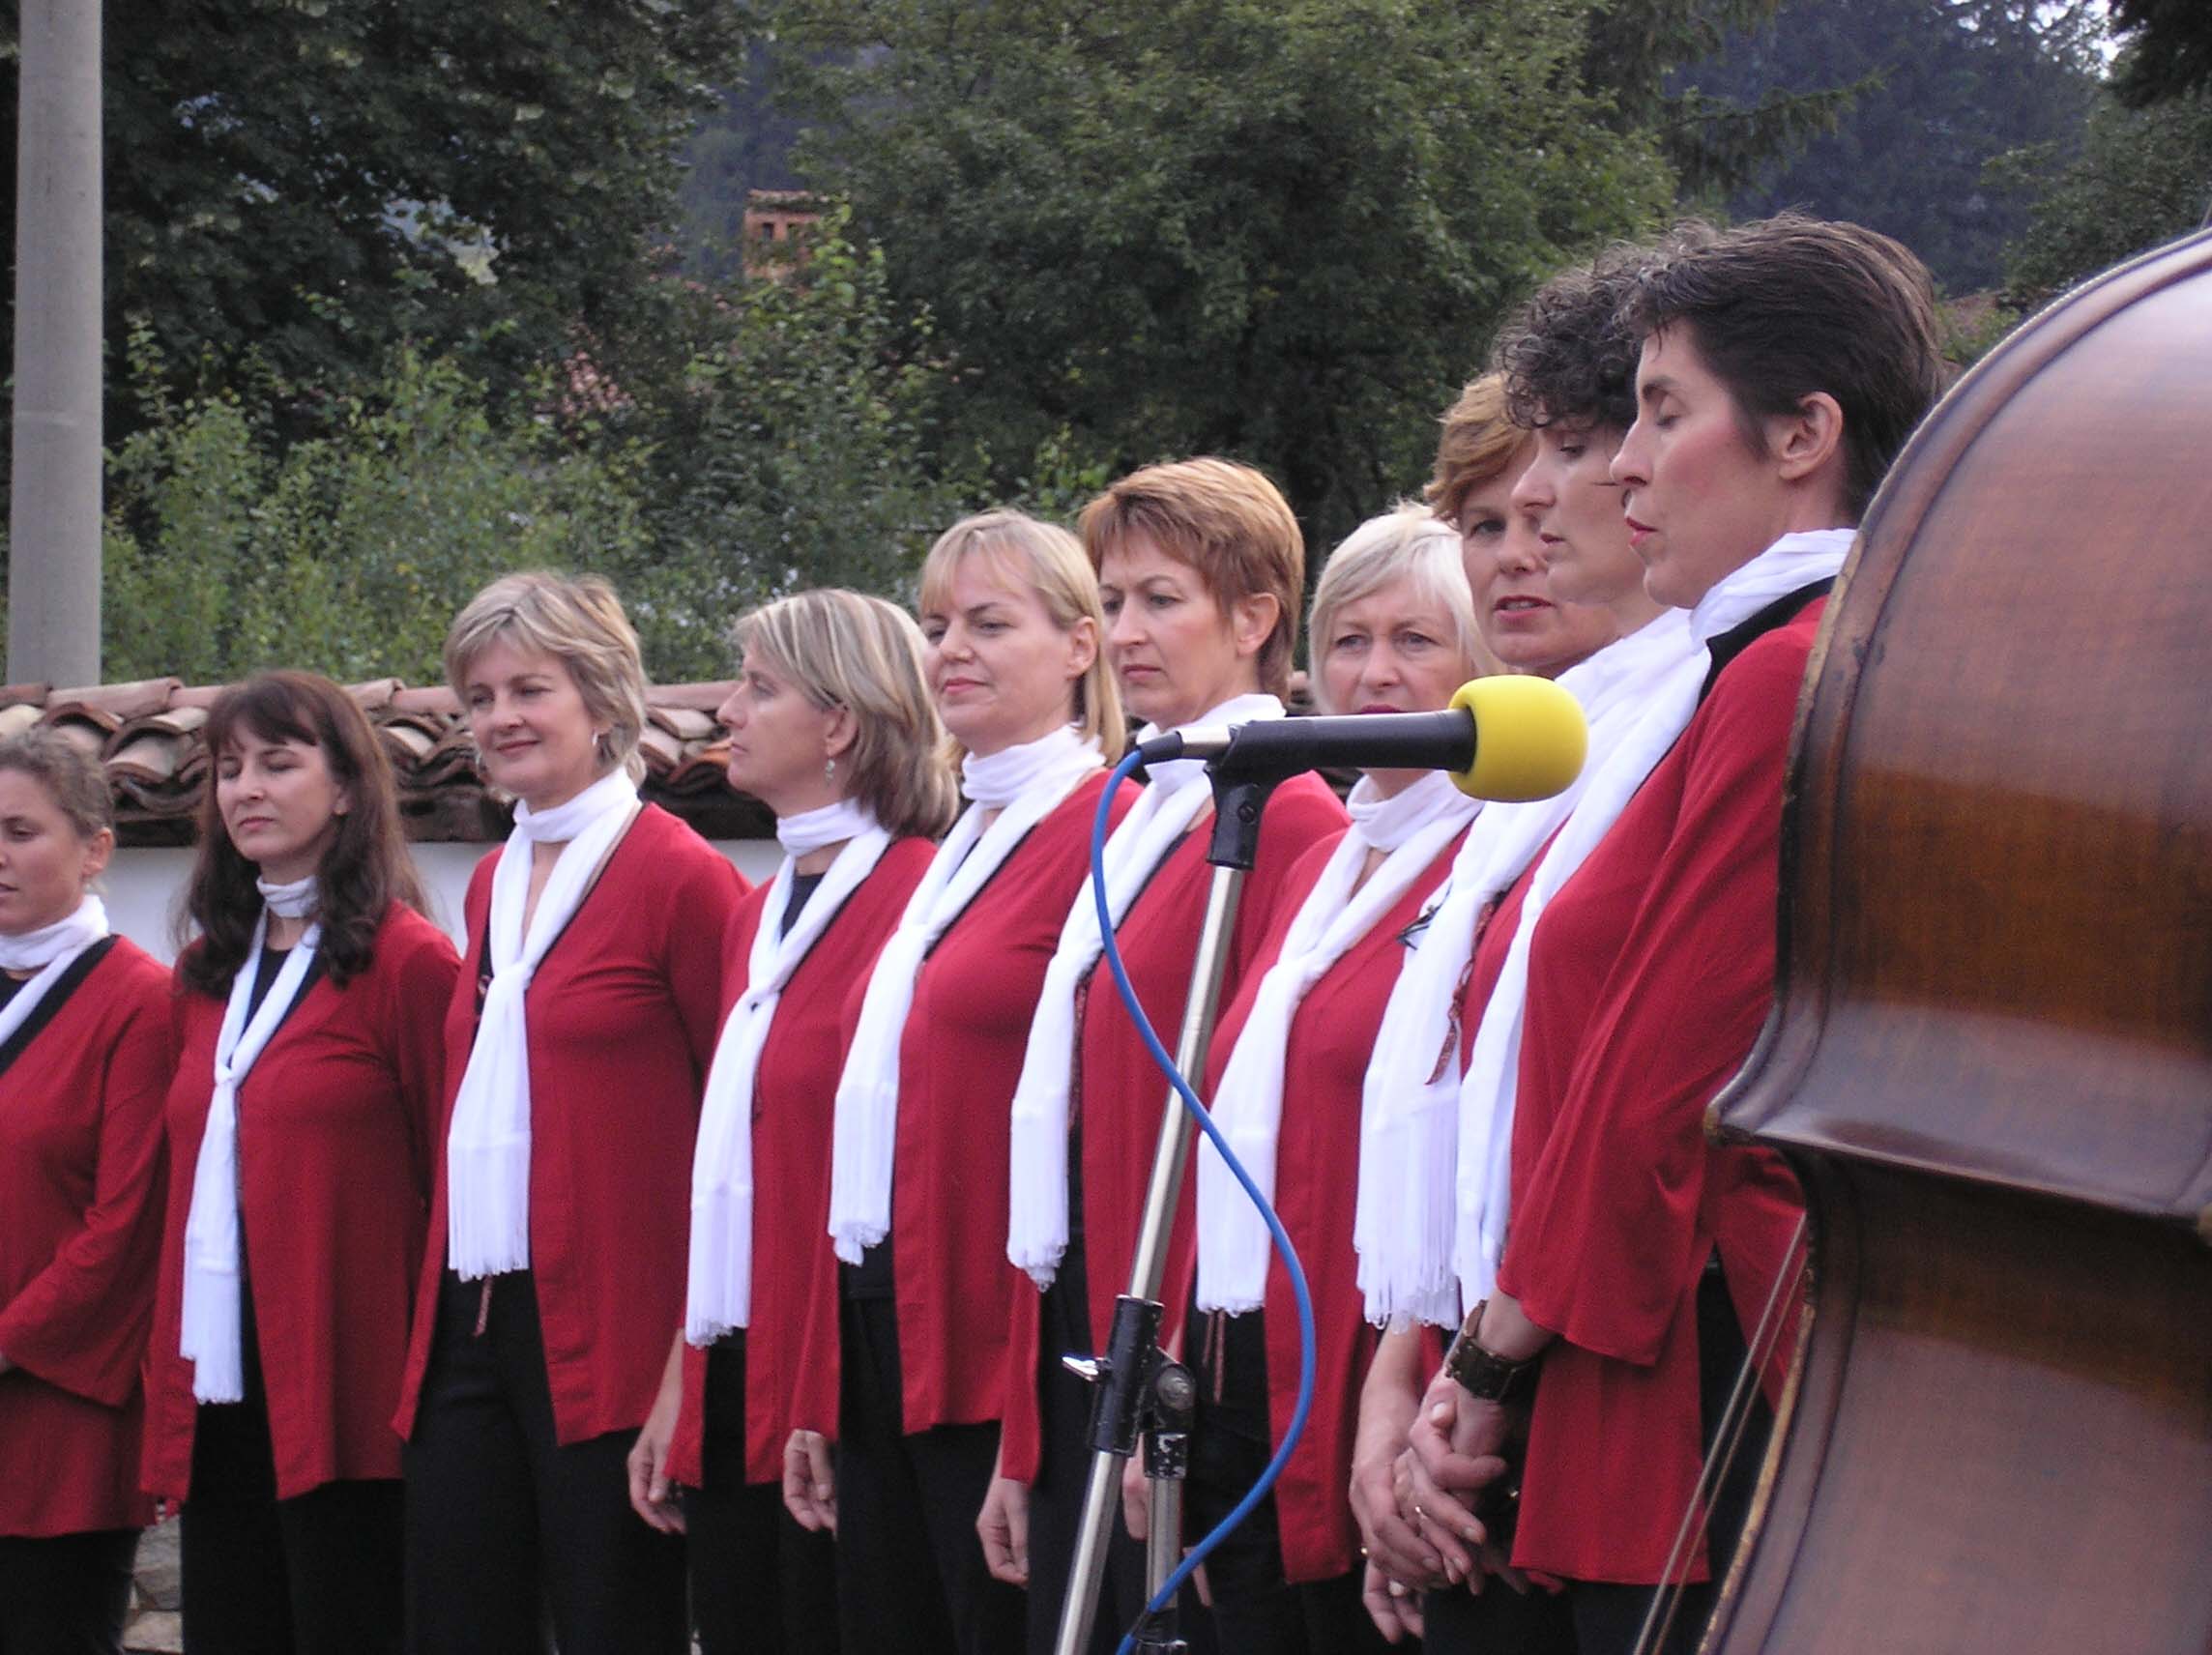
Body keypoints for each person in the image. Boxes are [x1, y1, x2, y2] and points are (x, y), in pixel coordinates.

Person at [1408, 214, 1945, 1654]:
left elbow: (1665, 1071)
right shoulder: (1777, 659)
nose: (1623, 466)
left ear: (1802, 435)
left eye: (1660, 412)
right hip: (1661, 1321)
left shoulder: (1790, 670)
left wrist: (1489, 1354)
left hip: (1716, 1350)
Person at [1349, 303, 1703, 1645]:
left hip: (1592, 1368)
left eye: (1551, 487)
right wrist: (1397, 1388)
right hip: (1468, 1365)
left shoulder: (1675, 718)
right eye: (1483, 525)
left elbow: (1615, 1096)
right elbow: (1456, 1128)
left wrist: (1464, 1393)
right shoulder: (1520, 783)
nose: (1524, 541)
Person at [979, 459, 1346, 1654]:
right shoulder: (1145, 807)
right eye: (1113, 599)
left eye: (1159, 600)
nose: (1123, 632)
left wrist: (1170, 1368)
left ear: (1252, 619)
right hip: (1096, 1305)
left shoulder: (1284, 814)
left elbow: (1246, 1119)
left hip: (1185, 1339)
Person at [784, 510, 1130, 1655]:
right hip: (886, 1321)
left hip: (1003, 1341)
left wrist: (1030, 1430)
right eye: (936, 626)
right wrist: (823, 1379)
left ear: (1081, 644)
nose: (951, 651)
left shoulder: (1110, 827)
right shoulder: (959, 842)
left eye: (989, 622)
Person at [397, 572, 748, 1655]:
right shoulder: (490, 879)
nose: (498, 717)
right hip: (471, 1317)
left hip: (615, 1335)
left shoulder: (683, 879)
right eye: (478, 695)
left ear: (601, 700)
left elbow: (735, 1134)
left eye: (528, 689)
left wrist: (683, 1374)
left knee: (615, 1625)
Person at [1177, 506, 1492, 1654]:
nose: (1373, 672)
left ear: (1483, 661)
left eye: (1415, 639)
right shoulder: (1317, 853)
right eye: (1347, 639)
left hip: (1371, 1350)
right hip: (1239, 1357)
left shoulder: (1489, 846)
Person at [625, 590, 961, 1655]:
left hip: (843, 1378)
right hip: (735, 1368)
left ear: (840, 723)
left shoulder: (923, 896)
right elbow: (733, 1169)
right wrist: (681, 1378)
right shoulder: (752, 912)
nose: (727, 708)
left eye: (758, 687)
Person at [141, 674, 457, 1655]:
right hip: (221, 1382)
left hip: (349, 1392)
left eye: (278, 764)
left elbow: (447, 1189)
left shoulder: (408, 963)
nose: (246, 789)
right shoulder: (203, 975)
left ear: (350, 788)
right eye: (229, 769)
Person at [0, 730, 173, 1655]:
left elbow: (126, 1229)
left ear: (96, 849)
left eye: (21, 831)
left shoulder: (140, 1003)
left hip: (55, 1428)